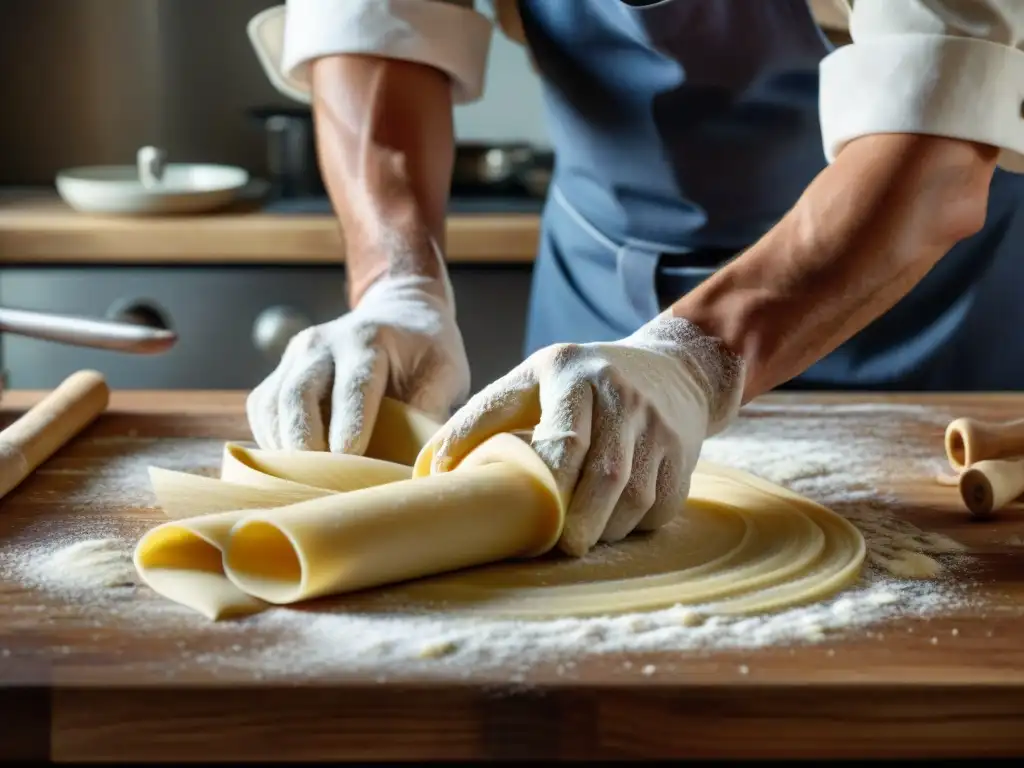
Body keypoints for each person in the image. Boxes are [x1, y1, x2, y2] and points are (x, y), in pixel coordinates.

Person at [245, 0, 1024, 557]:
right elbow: (377, 28)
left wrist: (695, 357)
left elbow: (938, 146)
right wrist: (398, 283)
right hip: (594, 288)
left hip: (912, 298)